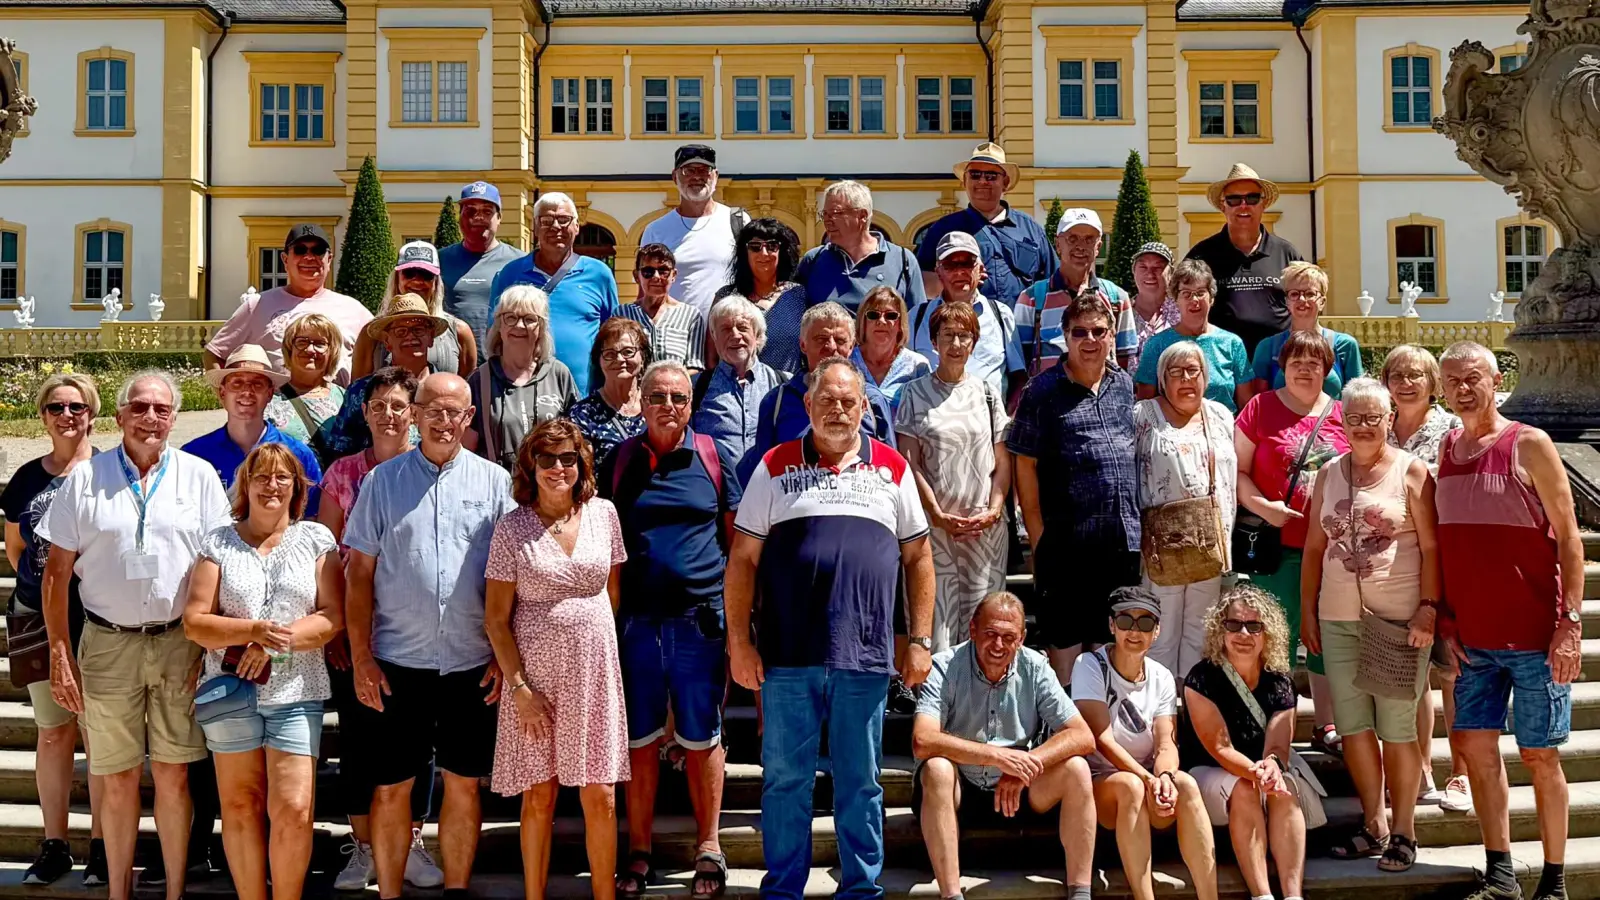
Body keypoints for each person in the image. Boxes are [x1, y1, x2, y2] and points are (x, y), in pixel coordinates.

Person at [727, 357, 936, 900]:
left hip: (863, 656)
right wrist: (739, 641)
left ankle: (861, 890)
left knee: (861, 783)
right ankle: (782, 890)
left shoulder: (892, 467)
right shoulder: (773, 465)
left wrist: (920, 640)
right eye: (827, 400)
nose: (838, 409)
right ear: (808, 405)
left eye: (848, 401)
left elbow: (918, 559)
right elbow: (743, 560)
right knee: (785, 782)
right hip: (788, 655)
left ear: (865, 407)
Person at [39, 370, 232, 900]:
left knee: (173, 775)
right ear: (120, 416)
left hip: (179, 645)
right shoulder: (84, 479)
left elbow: (218, 565)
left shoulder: (198, 477)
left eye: (162, 409)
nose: (151, 418)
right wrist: (59, 650)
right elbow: (55, 573)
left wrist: (208, 645)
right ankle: (118, 892)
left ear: (174, 417)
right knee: (117, 776)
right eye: (140, 408)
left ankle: (173, 892)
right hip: (106, 644)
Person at [343, 373, 516, 900]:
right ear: (415, 415)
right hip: (398, 663)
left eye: (455, 412)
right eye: (433, 411)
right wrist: (361, 658)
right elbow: (358, 578)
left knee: (464, 784)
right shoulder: (382, 482)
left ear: (469, 419)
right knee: (393, 787)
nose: (444, 421)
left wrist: (507, 657)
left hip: (471, 663)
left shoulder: (494, 483)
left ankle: (457, 891)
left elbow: (510, 577)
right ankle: (390, 894)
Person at [1433, 342, 1584, 900]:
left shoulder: (1530, 444)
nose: (1462, 388)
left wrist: (1569, 623)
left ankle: (1555, 880)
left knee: (1540, 755)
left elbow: (1570, 539)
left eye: (1472, 378)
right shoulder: (1447, 448)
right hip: (1472, 638)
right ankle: (1500, 873)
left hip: (1536, 637)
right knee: (1474, 749)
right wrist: (1445, 620)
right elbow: (1444, 547)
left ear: (1497, 380)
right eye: (1451, 381)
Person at [602, 362, 741, 900]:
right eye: (657, 395)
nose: (667, 405)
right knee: (638, 741)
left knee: (703, 737)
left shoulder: (712, 458)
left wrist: (736, 619)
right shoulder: (619, 462)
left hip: (699, 621)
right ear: (640, 400)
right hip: (636, 622)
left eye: (678, 397)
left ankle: (709, 845)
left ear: (691, 404)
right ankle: (639, 850)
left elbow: (734, 542)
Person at [181, 444, 343, 900]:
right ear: (245, 485)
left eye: (282, 478)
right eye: (261, 477)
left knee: (293, 808)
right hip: (231, 693)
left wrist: (274, 643)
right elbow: (195, 621)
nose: (272, 486)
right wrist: (252, 631)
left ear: (297, 487)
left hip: (296, 691)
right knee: (239, 805)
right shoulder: (219, 542)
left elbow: (333, 616)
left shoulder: (316, 540)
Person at [483, 419, 630, 900]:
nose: (558, 467)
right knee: (539, 794)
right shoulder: (512, 528)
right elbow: (496, 619)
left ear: (581, 464)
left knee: (600, 794)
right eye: (546, 458)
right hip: (534, 680)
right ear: (530, 465)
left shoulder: (605, 513)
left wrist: (586, 641)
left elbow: (611, 594)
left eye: (568, 458)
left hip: (593, 674)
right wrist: (520, 688)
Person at [1301, 377, 1439, 872]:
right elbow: (1314, 550)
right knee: (1355, 728)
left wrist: (1429, 605)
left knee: (1398, 730)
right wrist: (1308, 612)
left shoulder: (1412, 471)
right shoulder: (1328, 475)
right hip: (1337, 618)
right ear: (1342, 422)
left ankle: (1404, 830)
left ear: (1388, 421)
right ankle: (1374, 823)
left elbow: (1432, 547)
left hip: (1398, 620)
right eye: (1353, 418)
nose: (1362, 426)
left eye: (1372, 418)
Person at [315, 366, 442, 893]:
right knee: (361, 742)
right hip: (355, 634)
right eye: (379, 405)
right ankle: (364, 847)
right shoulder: (344, 473)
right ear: (364, 413)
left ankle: (409, 840)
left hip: (417, 634)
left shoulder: (433, 467)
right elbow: (324, 556)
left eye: (398, 405)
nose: (389, 414)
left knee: (419, 746)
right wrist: (341, 632)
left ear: (412, 413)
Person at [913, 592, 1096, 900]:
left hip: (1020, 790)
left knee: (1077, 768)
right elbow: (922, 740)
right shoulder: (944, 667)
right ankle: (951, 895)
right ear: (972, 630)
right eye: (990, 634)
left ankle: (1080, 893)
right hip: (961, 788)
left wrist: (1026, 765)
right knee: (936, 769)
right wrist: (997, 757)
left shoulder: (1036, 667)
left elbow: (1082, 736)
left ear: (1022, 638)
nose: (998, 645)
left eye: (1008, 638)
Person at [1, 374, 106, 887]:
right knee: (51, 732)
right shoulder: (25, 479)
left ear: (92, 413)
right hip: (36, 616)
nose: (68, 415)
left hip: (98, 618)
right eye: (57, 407)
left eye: (77, 406)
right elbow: (17, 550)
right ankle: (55, 843)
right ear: (43, 416)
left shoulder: (111, 470)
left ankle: (106, 846)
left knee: (101, 736)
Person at [1010, 292, 1141, 682]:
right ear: (1064, 337)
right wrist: (1038, 538)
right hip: (1064, 544)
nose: (1090, 340)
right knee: (1065, 652)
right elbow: (1025, 466)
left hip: (1120, 541)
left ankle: (1102, 737)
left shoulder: (1124, 385)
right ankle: (1067, 734)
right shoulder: (1041, 391)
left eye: (1099, 332)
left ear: (1112, 336)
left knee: (1108, 650)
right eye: (1079, 332)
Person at [1235, 328, 1348, 754]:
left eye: (1314, 362)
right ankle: (1271, 724)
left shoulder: (1341, 412)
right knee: (1274, 637)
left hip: (1331, 551)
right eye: (1296, 362)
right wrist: (1264, 508)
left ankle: (1327, 724)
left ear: (1327, 370)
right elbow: (1237, 471)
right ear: (1282, 367)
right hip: (1275, 546)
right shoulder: (1260, 409)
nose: (1304, 369)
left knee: (1323, 637)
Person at [1071, 588, 1217, 900]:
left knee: (1186, 784)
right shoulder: (1088, 664)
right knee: (1130, 786)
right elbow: (1101, 739)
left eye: (1145, 623)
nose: (1134, 631)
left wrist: (1163, 777)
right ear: (1112, 626)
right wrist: (1148, 778)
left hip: (1147, 782)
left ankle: (1210, 896)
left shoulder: (1162, 677)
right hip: (1099, 784)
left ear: (1158, 631)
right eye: (1125, 620)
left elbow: (1166, 743)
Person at [1180, 585, 1310, 900]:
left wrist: (1273, 768)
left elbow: (1279, 745)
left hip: (1262, 769)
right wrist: (1259, 773)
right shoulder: (1201, 678)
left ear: (1268, 634)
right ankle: (1261, 894)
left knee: (1285, 788)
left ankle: (1293, 895)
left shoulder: (1280, 681)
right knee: (1244, 787)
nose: (1243, 634)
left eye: (1254, 626)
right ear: (1218, 630)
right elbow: (1220, 748)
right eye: (1234, 624)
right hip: (1208, 772)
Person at [895, 300, 1011, 651]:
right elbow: (909, 463)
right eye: (948, 336)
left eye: (964, 336)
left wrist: (994, 508)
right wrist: (937, 515)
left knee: (986, 623)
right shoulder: (914, 393)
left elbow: (1003, 460)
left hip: (985, 531)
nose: (957, 344)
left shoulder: (988, 392)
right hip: (935, 531)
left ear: (974, 342)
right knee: (937, 624)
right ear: (934, 341)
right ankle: (937, 703)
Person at [1382, 344, 1467, 808]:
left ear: (1432, 383)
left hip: (1447, 558)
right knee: (1411, 676)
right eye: (1398, 374)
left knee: (1452, 672)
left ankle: (1461, 773)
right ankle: (1421, 771)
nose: (1407, 382)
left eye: (1417, 374)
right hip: (1396, 564)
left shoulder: (1451, 430)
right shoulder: (1380, 428)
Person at [1135, 341, 1237, 680]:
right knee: (1161, 628)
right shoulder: (1143, 416)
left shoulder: (1220, 415)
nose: (1185, 379)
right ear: (1163, 379)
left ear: (1205, 377)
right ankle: (1163, 714)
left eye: (1193, 371)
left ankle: (1192, 708)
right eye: (1175, 372)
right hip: (1161, 543)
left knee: (1200, 629)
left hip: (1208, 538)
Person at [741, 301, 897, 484]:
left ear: (852, 346)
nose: (831, 347)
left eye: (840, 340)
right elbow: (762, 474)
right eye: (821, 339)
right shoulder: (776, 402)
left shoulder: (872, 400)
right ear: (803, 345)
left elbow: (889, 468)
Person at [490, 191, 621, 395]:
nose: (555, 227)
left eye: (564, 220)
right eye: (546, 220)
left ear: (576, 227)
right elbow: (495, 335)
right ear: (534, 227)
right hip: (520, 394)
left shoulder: (599, 274)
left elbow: (613, 336)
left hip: (584, 398)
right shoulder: (510, 274)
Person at [205, 223, 372, 382]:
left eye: (318, 250)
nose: (309, 257)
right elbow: (215, 353)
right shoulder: (257, 305)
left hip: (340, 410)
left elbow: (381, 356)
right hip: (274, 409)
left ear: (329, 259)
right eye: (300, 250)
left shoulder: (354, 309)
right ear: (285, 260)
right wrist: (227, 396)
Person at [184, 344, 323, 513]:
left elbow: (311, 517)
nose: (246, 391)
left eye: (257, 384)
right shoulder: (194, 455)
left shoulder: (298, 454)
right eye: (237, 383)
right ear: (222, 393)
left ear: (270, 394)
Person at [1184, 163, 1304, 356]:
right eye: (1234, 199)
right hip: (1221, 363)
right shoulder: (1202, 256)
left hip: (1279, 364)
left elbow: (1308, 304)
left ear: (1263, 204)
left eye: (1252, 198)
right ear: (1223, 206)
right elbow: (1181, 305)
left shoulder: (1287, 253)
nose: (1243, 205)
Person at [916, 143, 1057, 306]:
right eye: (975, 175)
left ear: (1005, 182)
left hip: (1023, 327)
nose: (982, 181)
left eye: (991, 175)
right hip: (964, 327)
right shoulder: (943, 229)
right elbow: (923, 282)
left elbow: (1052, 280)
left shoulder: (1031, 229)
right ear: (964, 181)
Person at [467, 285, 580, 470]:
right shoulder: (481, 380)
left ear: (541, 328)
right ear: (499, 326)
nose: (519, 326)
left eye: (529, 319)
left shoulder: (558, 374)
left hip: (550, 487)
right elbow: (466, 452)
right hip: (499, 491)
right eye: (510, 317)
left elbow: (576, 439)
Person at [321, 292, 444, 459]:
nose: (410, 336)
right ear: (387, 341)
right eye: (401, 331)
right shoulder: (361, 391)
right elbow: (340, 452)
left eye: (418, 329)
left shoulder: (445, 392)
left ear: (431, 338)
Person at [1016, 208, 1136, 376]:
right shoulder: (1032, 298)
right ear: (1058, 244)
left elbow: (1126, 359)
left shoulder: (1117, 298)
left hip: (1102, 398)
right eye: (1072, 239)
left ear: (1098, 246)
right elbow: (1020, 359)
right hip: (1049, 398)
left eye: (1089, 240)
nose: (1080, 247)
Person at [907, 231, 1026, 399]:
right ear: (938, 271)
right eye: (950, 265)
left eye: (967, 263)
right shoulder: (917, 317)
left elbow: (1019, 377)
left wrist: (1007, 420)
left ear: (980, 269)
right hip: (930, 421)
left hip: (988, 422)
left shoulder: (1000, 314)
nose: (959, 272)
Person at [641, 144, 746, 320]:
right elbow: (645, 293)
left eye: (704, 170)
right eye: (688, 171)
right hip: (676, 337)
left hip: (727, 335)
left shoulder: (738, 221)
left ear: (716, 176)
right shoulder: (656, 231)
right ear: (675, 177)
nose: (697, 176)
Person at [1135, 259, 1252, 413]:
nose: (1194, 300)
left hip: (1223, 432)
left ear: (1212, 298)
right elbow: (1145, 404)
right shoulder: (1157, 344)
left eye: (1200, 293)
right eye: (1186, 294)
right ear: (1176, 300)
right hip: (1172, 430)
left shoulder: (1232, 343)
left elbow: (1246, 405)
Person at [795, 180, 926, 314]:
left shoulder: (902, 260)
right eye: (825, 214)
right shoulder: (813, 260)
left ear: (862, 216)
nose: (827, 220)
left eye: (835, 213)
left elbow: (918, 319)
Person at [352, 242, 479, 380]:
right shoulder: (372, 334)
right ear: (397, 278)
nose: (417, 281)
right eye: (409, 273)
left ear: (436, 281)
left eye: (426, 275)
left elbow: (467, 391)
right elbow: (358, 391)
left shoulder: (459, 332)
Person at [691, 296, 783, 469]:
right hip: (718, 491)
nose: (735, 335)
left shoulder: (781, 384)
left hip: (768, 491)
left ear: (757, 335)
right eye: (725, 329)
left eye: (742, 328)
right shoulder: (696, 387)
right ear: (714, 337)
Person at [1249, 262, 1363, 398]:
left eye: (1310, 293)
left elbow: (1357, 399)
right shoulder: (1268, 347)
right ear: (1287, 301)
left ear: (1322, 302)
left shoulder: (1344, 345)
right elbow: (1259, 401)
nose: (1302, 299)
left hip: (1332, 419)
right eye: (1294, 294)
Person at [712, 217, 807, 375]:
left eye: (771, 246)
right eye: (755, 247)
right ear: (745, 252)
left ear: (781, 252)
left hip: (785, 394)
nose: (764, 253)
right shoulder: (726, 297)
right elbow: (712, 356)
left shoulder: (799, 295)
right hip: (736, 393)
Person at [440, 181, 522, 360]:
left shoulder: (518, 262)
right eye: (470, 211)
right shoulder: (440, 260)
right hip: (452, 365)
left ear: (499, 218)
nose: (478, 217)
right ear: (460, 217)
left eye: (487, 211)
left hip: (503, 367)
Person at [264, 313, 346, 467]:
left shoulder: (346, 399)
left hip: (336, 489)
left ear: (332, 352)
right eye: (302, 342)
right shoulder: (269, 402)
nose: (310, 349)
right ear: (289, 349)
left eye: (320, 343)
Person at [567, 317, 650, 471]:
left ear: (643, 357)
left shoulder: (656, 403)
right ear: (599, 360)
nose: (619, 359)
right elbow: (583, 475)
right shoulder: (582, 415)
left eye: (628, 352)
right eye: (610, 354)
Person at [618, 243, 707, 372]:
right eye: (648, 271)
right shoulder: (623, 314)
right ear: (637, 276)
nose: (656, 277)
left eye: (663, 271)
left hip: (673, 390)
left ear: (674, 275)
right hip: (632, 391)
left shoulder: (691, 315)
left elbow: (695, 365)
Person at [853, 285, 929, 409]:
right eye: (873, 315)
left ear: (901, 323)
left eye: (891, 315)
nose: (882, 321)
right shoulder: (847, 362)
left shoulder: (917, 366)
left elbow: (925, 415)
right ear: (863, 321)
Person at [1128, 242, 1181, 376]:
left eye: (1158, 268)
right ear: (1134, 271)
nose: (1150, 274)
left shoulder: (1183, 312)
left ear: (1171, 274)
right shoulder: (1121, 313)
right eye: (1143, 267)